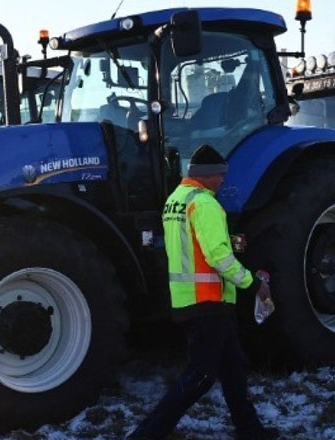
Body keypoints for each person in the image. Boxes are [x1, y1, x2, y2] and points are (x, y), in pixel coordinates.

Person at [128, 145, 279, 440]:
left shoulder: (176, 199)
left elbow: (194, 246)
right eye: (220, 176)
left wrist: (228, 241)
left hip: (192, 300)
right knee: (201, 376)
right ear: (207, 176)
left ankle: (250, 430)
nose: (223, 181)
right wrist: (253, 284)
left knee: (233, 369)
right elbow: (218, 257)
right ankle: (146, 434)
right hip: (208, 300)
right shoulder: (206, 205)